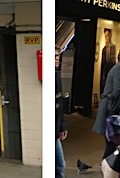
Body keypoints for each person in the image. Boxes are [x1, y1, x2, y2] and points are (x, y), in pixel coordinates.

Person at [92, 50, 120, 160]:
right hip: (110, 106)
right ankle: (106, 169)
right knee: (110, 143)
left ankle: (107, 168)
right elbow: (118, 90)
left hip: (110, 104)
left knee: (111, 143)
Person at [56, 48, 68, 178]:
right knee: (59, 165)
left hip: (55, 129)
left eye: (58, 56)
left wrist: (62, 126)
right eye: (54, 56)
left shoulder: (57, 75)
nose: (57, 59)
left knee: (60, 165)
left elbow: (60, 104)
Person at [100, 28, 116, 94]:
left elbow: (113, 60)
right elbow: (103, 63)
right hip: (105, 72)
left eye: (108, 35)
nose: (106, 37)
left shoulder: (113, 47)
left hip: (111, 70)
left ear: (110, 35)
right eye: (105, 36)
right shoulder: (103, 49)